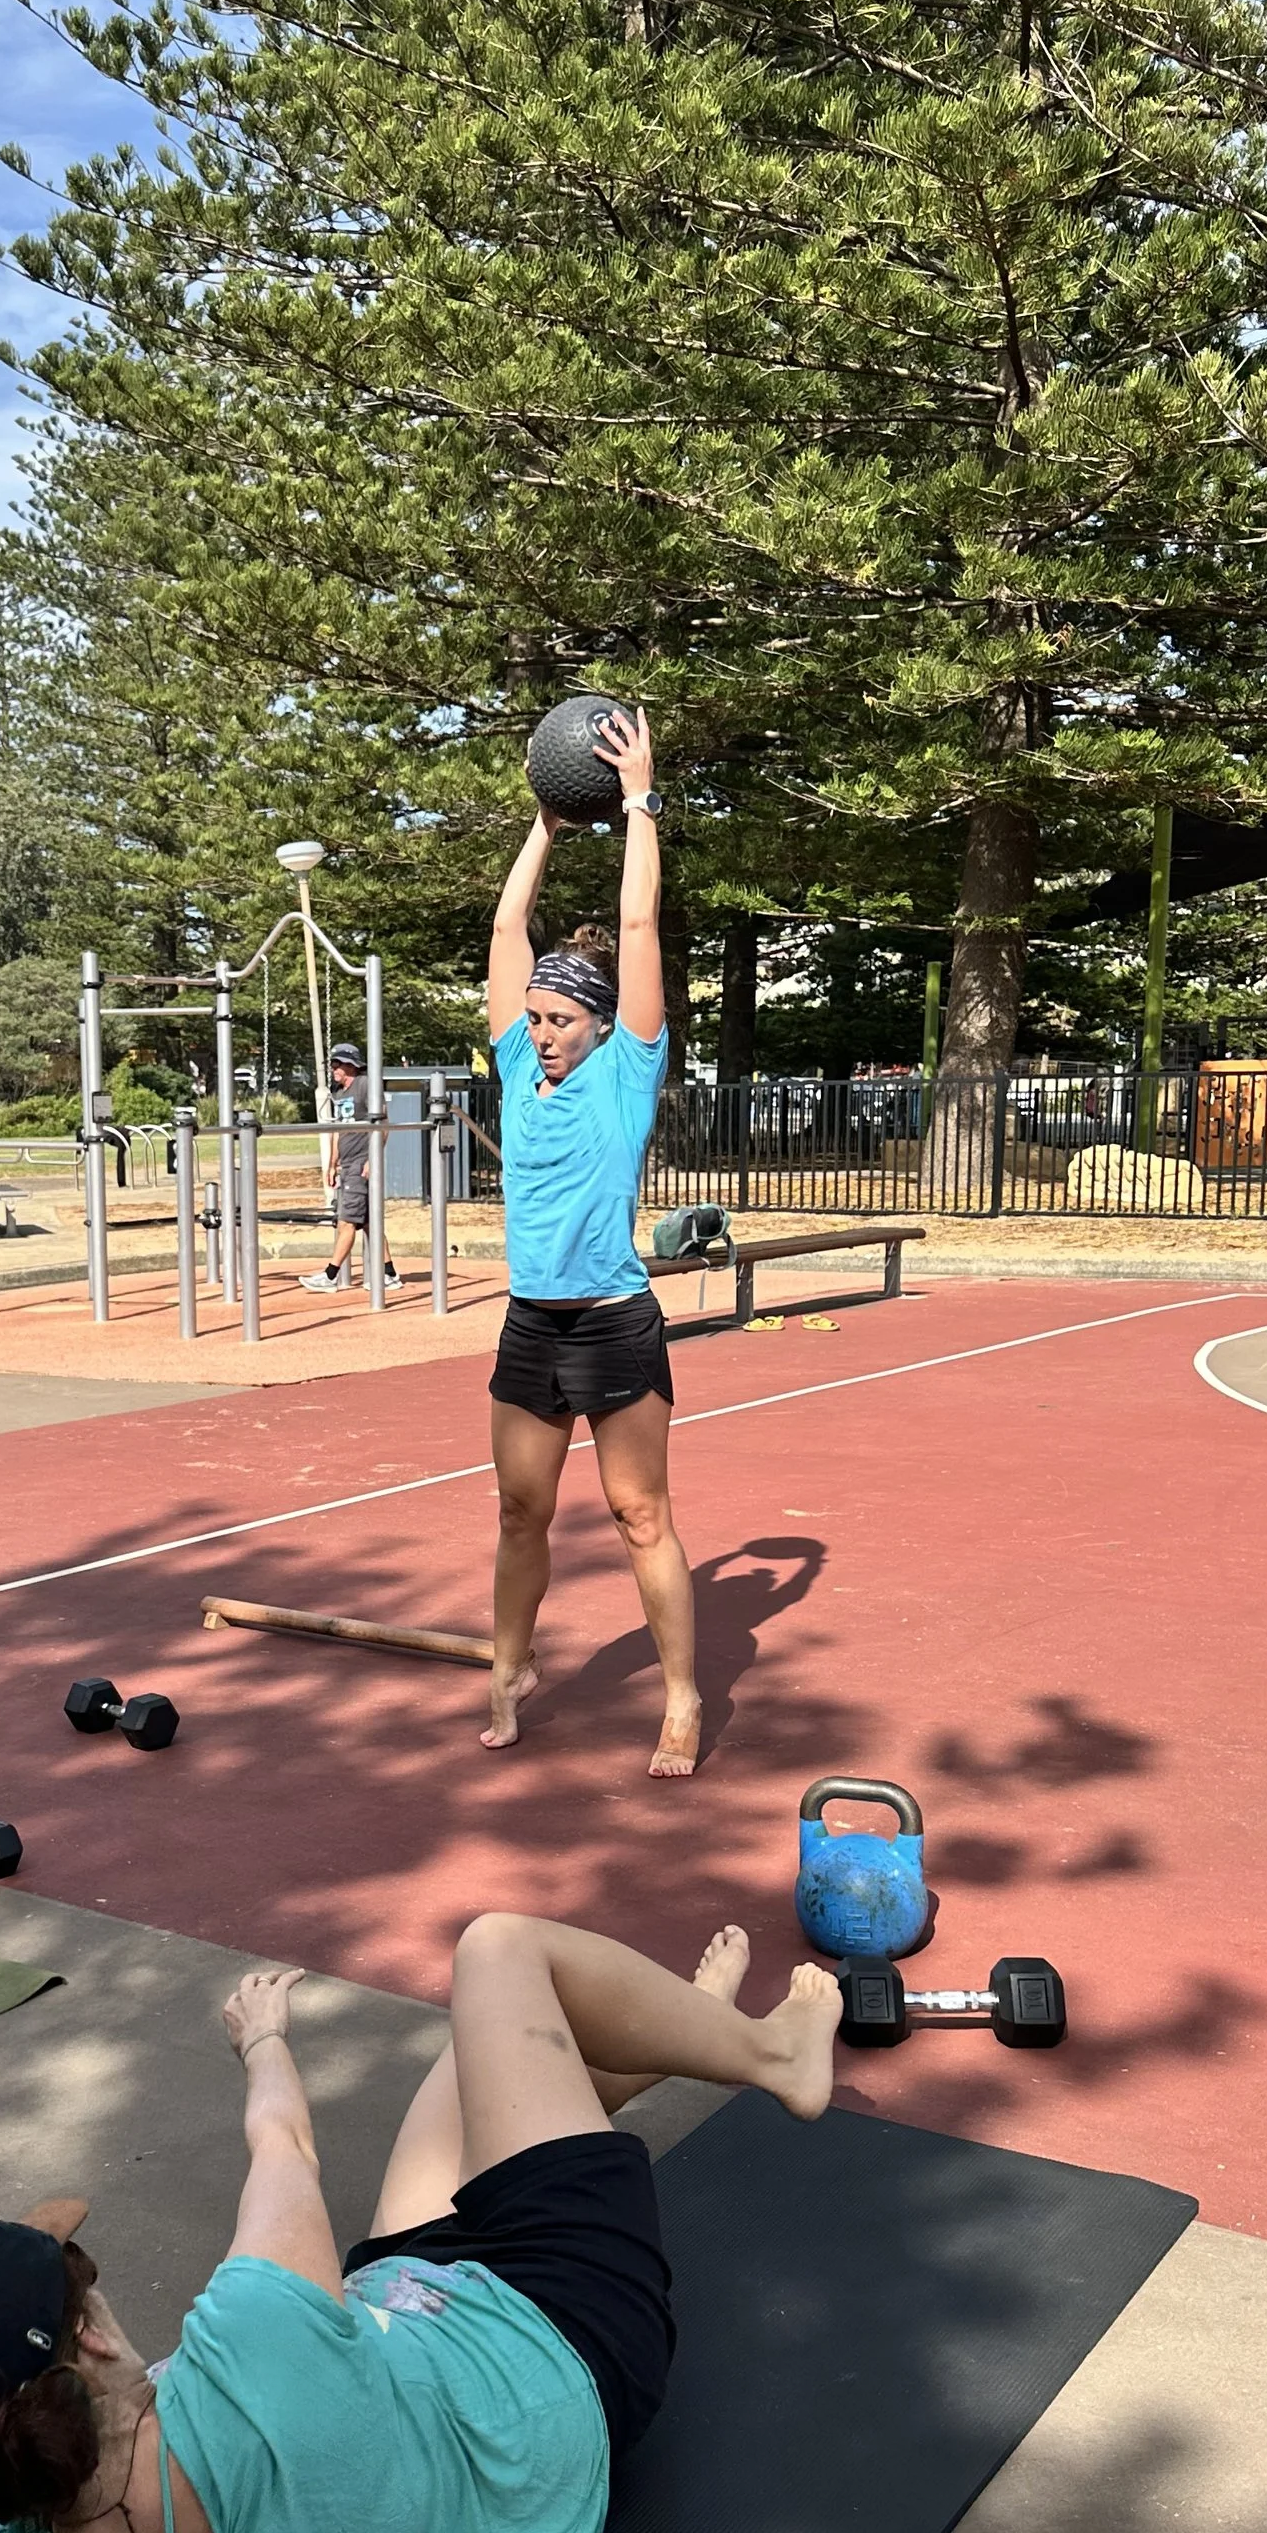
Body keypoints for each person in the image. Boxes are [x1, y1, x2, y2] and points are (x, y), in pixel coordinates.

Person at [0, 1917, 842, 2533]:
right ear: (87, 2341)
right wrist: (263, 2039)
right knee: (499, 1955)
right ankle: (762, 2052)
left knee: (489, 2060)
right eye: (79, 2269)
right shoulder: (250, 2350)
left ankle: (679, 2032)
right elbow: (282, 2144)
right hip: (553, 2352)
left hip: (404, 2336)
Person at [483, 703, 696, 1775]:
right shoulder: (518, 1067)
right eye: (530, 1017)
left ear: (601, 1022)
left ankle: (681, 1700)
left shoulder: (625, 1070)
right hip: (531, 1323)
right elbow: (504, 934)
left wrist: (637, 803)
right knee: (521, 1510)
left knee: (636, 1514)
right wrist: (546, 828)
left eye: (556, 1019)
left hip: (613, 1323)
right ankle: (510, 1673)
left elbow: (642, 926)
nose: (538, 1030)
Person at [297, 1041, 398, 1294]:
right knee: (368, 1222)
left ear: (351, 1065)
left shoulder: (365, 1085)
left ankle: (331, 1275)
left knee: (346, 1221)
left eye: (337, 1064)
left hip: (361, 1163)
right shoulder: (339, 1093)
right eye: (332, 1064)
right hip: (347, 1163)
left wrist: (372, 1159)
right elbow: (336, 1130)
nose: (333, 1069)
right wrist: (331, 1164)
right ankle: (390, 1274)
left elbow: (382, 1124)